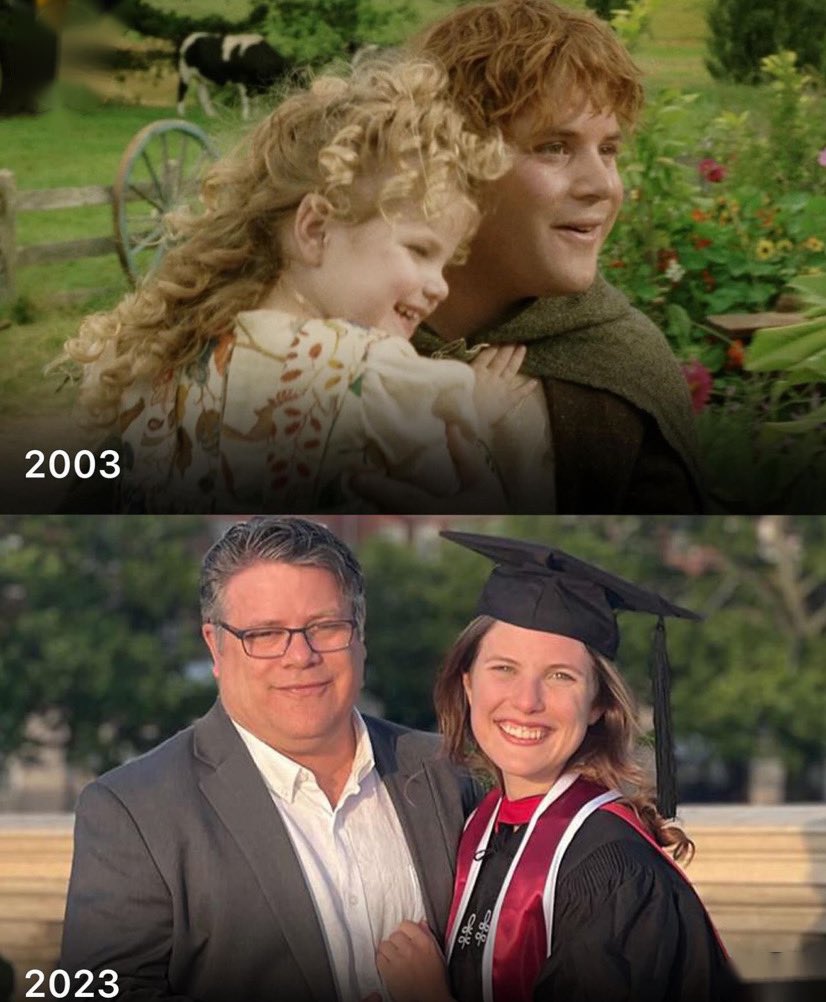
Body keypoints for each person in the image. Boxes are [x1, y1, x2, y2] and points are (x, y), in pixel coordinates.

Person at [59, 58, 545, 514]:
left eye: (445, 263)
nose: (439, 287)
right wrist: (477, 413)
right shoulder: (362, 371)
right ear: (315, 229)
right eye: (419, 250)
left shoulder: (169, 357)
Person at [60, 516, 480, 1002]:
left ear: (360, 635)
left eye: (325, 627)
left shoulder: (449, 774)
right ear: (215, 646)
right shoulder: (134, 811)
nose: (299, 656)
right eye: (264, 634)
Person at [375, 530, 743, 1002]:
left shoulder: (613, 872)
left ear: (598, 705)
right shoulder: (481, 825)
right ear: (467, 685)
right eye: (504, 668)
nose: (527, 701)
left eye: (560, 676)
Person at [389, 0, 704, 514]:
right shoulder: (334, 339)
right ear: (450, 164)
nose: (602, 186)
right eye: (554, 147)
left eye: (609, 150)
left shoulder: (622, 368)